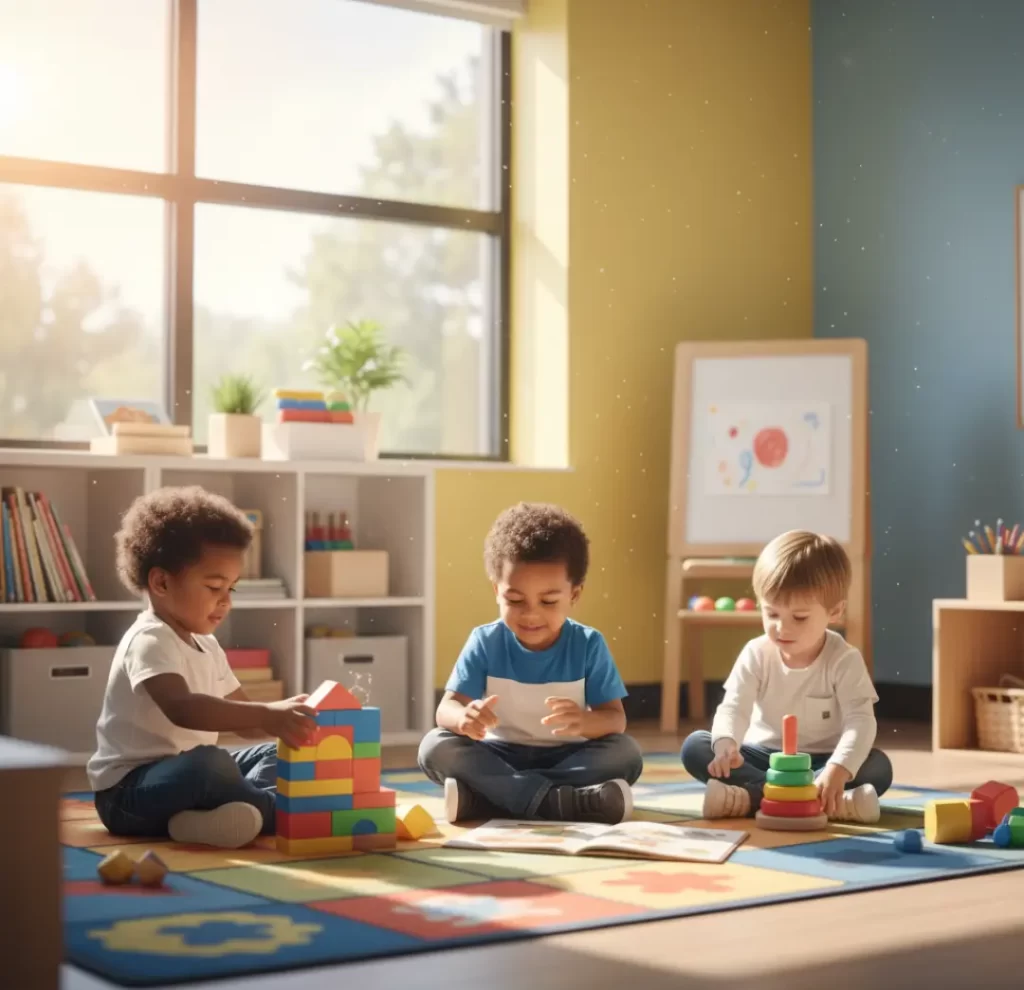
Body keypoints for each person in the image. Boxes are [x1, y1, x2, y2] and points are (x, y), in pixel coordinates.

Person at [87, 486, 316, 849]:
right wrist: (268, 713)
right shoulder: (149, 639)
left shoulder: (206, 643)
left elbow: (246, 722)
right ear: (161, 582)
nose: (225, 601)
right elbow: (183, 708)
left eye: (232, 589)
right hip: (128, 794)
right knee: (208, 766)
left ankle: (205, 821)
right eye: (213, 586)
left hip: (184, 780)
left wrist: (287, 718)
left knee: (277, 750)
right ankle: (275, 812)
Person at [418, 502, 643, 826]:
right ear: (497, 591)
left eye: (549, 601)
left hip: (568, 756)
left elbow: (615, 720)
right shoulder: (485, 641)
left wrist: (584, 721)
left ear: (574, 594)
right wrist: (463, 718)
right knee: (434, 746)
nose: (531, 614)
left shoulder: (588, 645)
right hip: (501, 755)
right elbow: (446, 709)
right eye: (515, 600)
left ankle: (490, 796)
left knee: (625, 753)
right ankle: (557, 801)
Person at [680, 530, 892, 823]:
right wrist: (726, 744)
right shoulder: (756, 653)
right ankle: (820, 802)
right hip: (762, 757)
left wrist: (838, 769)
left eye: (799, 617)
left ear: (835, 611)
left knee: (878, 767)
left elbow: (861, 720)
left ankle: (751, 798)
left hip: (821, 761)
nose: (782, 628)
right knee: (696, 746)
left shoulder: (844, 659)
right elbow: (734, 706)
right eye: (772, 614)